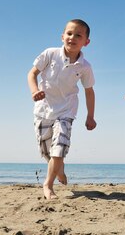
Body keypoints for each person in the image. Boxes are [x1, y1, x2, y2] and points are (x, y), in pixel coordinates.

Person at [27, 19, 96, 199]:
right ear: (62, 36)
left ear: (86, 42)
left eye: (78, 35)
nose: (72, 38)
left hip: (66, 111)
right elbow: (32, 73)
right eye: (69, 34)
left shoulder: (85, 66)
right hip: (43, 110)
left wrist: (91, 116)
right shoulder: (50, 54)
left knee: (59, 147)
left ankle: (48, 185)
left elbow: (89, 91)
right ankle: (59, 169)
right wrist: (35, 91)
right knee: (46, 152)